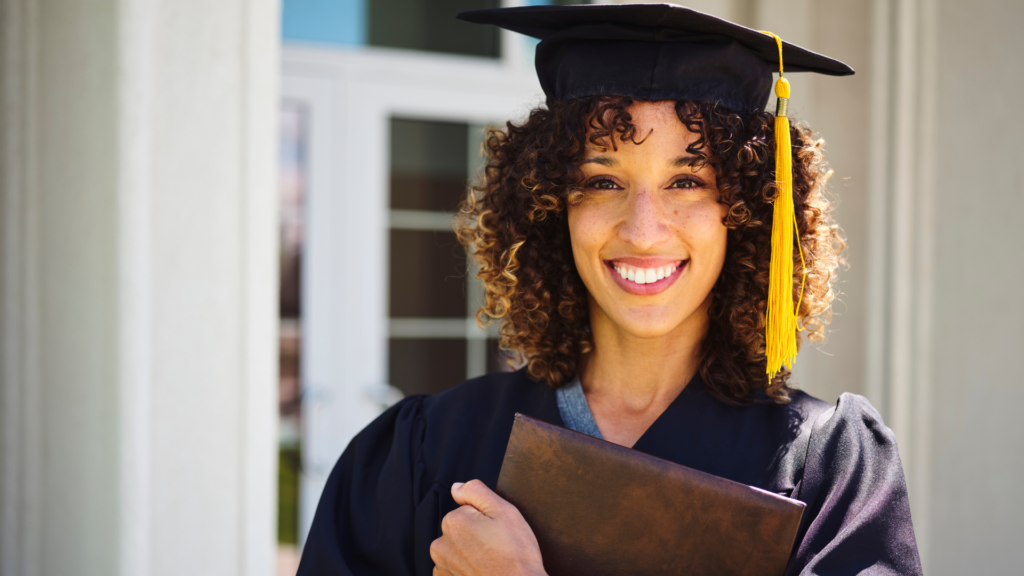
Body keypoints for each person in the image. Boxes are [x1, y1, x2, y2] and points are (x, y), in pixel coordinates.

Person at [297, 4, 923, 576]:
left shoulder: (827, 466)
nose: (644, 231)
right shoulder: (429, 448)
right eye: (601, 181)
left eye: (688, 181)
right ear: (548, 206)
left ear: (749, 209)